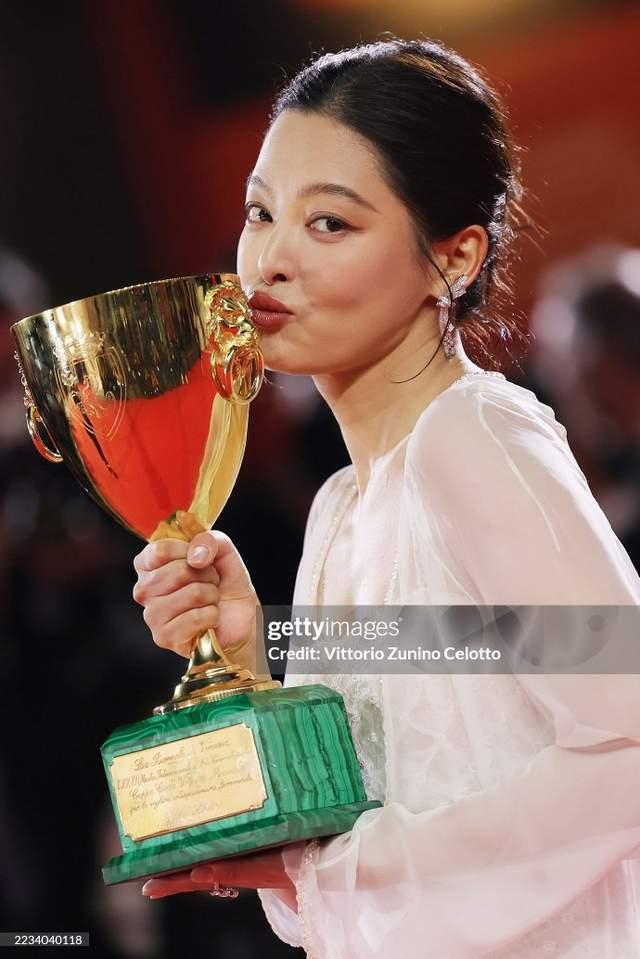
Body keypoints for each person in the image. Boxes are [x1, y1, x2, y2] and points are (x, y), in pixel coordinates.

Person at [132, 39, 640, 958]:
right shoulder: (342, 504)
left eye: (330, 223)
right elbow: (374, 808)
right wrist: (245, 660)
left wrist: (351, 872)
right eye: (260, 212)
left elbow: (630, 747)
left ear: (455, 257)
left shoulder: (470, 439)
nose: (270, 260)